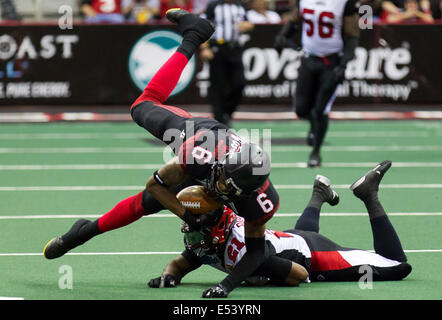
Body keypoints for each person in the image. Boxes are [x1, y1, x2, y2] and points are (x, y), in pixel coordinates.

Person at [43, 9, 288, 299]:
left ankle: (193, 33)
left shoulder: (262, 201)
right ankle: (194, 36)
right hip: (201, 134)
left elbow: (257, 251)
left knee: (156, 203)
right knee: (142, 115)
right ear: (223, 168)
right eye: (223, 182)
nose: (221, 189)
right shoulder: (199, 155)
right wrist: (186, 213)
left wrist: (227, 286)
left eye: (229, 190)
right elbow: (154, 186)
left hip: (217, 169)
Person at [148, 160, 412, 289]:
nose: (194, 238)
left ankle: (369, 194)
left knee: (397, 265)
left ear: (217, 228)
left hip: (312, 256)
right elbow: (179, 264)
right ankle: (320, 193)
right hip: (290, 238)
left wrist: (252, 273)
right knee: (302, 233)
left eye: (197, 229)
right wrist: (169, 276)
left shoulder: (240, 246)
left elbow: (298, 274)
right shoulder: (209, 244)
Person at [274, 0, 360, 168]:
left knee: (321, 109)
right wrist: (283, 35)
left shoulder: (344, 3)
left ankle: (315, 151)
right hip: (309, 58)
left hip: (332, 61)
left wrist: (343, 64)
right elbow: (295, 19)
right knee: (301, 108)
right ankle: (314, 126)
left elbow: (352, 34)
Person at [200, 0, 254, 127]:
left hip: (234, 48)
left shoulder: (239, 6)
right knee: (218, 85)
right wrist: (204, 48)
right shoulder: (213, 6)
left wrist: (248, 26)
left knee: (239, 82)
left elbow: (248, 23)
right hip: (217, 48)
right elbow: (203, 26)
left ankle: (227, 112)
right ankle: (219, 119)